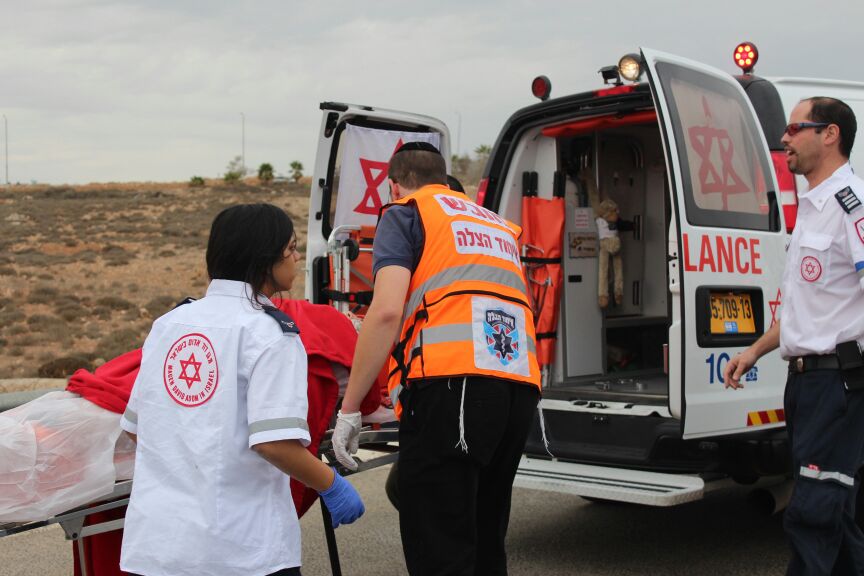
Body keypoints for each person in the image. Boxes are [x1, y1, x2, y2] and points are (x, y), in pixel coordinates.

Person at [119, 204, 364, 576]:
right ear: (265, 258)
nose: (298, 258)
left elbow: (140, 429)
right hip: (238, 550)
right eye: (292, 248)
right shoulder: (270, 334)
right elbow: (273, 442)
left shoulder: (169, 324)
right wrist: (331, 485)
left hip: (158, 546)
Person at [332, 141, 542, 575]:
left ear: (394, 186)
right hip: (516, 390)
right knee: (485, 540)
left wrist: (350, 408)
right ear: (444, 177)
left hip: (451, 389)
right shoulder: (497, 225)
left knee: (440, 548)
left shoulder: (406, 212)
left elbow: (387, 310)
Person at [724, 97, 864, 575]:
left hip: (838, 385)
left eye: (794, 127)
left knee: (812, 514)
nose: (784, 137)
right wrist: (754, 351)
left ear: (830, 135)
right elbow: (807, 310)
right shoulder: (810, 208)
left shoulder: (852, 205)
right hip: (805, 384)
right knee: (838, 519)